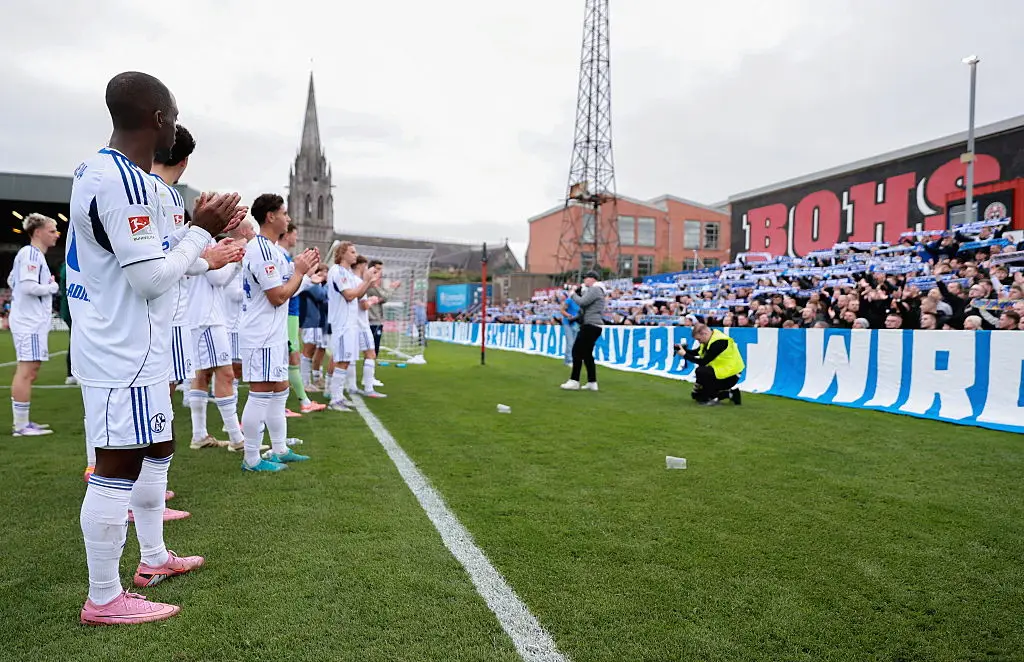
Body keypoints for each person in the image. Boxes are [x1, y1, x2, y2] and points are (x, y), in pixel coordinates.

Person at [70, 71, 245, 625]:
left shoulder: (101, 171)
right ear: (158, 119)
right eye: (172, 112)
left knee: (155, 451)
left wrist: (202, 251)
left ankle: (151, 560)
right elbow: (148, 280)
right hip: (123, 350)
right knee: (115, 469)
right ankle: (103, 597)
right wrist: (201, 230)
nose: (175, 122)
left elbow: (147, 260)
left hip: (132, 347)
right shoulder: (124, 182)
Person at [237, 194, 318, 471]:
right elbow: (277, 296)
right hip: (260, 334)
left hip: (272, 333)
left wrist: (304, 273)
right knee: (260, 392)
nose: (289, 218)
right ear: (270, 216)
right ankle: (251, 459)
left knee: (280, 388)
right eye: (284, 212)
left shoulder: (272, 249)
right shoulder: (260, 250)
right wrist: (299, 271)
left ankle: (280, 448)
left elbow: (289, 284)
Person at [7, 213, 61, 436]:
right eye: (51, 230)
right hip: (28, 322)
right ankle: (20, 426)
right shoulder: (30, 254)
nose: (56, 234)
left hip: (32, 320)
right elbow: (28, 287)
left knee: (31, 369)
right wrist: (51, 288)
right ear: (37, 232)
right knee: (27, 370)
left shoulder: (32, 255)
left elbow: (12, 280)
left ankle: (23, 422)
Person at [326, 242, 380, 411]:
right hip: (342, 323)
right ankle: (335, 399)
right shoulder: (337, 271)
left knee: (345, 360)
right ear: (342, 253)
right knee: (341, 360)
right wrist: (366, 281)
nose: (355, 255)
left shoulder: (348, 273)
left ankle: (339, 396)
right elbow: (350, 295)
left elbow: (358, 294)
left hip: (350, 324)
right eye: (352, 252)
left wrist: (368, 282)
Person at [278, 224, 325, 414]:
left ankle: (295, 403)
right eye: (295, 234)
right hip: (287, 313)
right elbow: (286, 289)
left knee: (290, 357)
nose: (296, 238)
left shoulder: (284, 256)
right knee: (290, 357)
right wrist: (307, 280)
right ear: (287, 234)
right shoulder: (279, 255)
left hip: (291, 313)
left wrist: (308, 272)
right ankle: (297, 403)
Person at [560, 271, 606, 392]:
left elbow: (582, 302)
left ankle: (574, 380)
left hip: (590, 325)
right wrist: (573, 319)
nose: (584, 281)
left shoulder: (595, 289)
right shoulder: (596, 290)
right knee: (586, 354)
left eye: (586, 278)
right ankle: (592, 382)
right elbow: (584, 309)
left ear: (592, 279)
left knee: (576, 351)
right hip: (593, 325)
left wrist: (573, 294)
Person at [678, 324, 744, 406]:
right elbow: (696, 352)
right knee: (698, 396)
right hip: (721, 373)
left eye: (699, 339)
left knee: (701, 371)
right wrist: (683, 350)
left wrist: (684, 355)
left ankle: (719, 396)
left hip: (731, 375)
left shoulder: (719, 342)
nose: (699, 342)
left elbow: (703, 362)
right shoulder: (710, 339)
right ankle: (731, 394)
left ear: (704, 333)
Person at [349, 256, 386, 398]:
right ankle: (369, 388)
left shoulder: (351, 280)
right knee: (370, 354)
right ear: (360, 266)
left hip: (352, 323)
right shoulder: (359, 282)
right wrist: (370, 301)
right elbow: (363, 304)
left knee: (351, 356)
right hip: (361, 324)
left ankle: (352, 387)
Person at [298, 264, 328, 391]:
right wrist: (318, 283)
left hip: (319, 322)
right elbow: (322, 296)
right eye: (323, 272)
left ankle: (313, 379)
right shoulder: (310, 284)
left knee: (316, 350)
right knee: (308, 351)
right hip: (310, 321)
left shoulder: (318, 284)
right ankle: (304, 382)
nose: (325, 275)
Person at [57, 260, 76, 386]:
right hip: (71, 310)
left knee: (75, 341)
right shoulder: (69, 267)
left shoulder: (66, 267)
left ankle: (72, 374)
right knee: (76, 342)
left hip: (69, 310)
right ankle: (72, 373)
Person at [560, 289, 580, 367]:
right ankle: (569, 360)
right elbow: (562, 310)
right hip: (567, 322)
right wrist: (569, 315)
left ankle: (567, 360)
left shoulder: (581, 302)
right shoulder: (569, 300)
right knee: (570, 342)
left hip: (576, 323)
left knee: (574, 343)